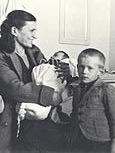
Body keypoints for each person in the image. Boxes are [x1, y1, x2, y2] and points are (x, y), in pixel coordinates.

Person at [0, 10, 67, 152]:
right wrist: (51, 96)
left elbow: (46, 71)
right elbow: (14, 88)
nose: (35, 36)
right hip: (13, 119)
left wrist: (63, 69)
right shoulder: (2, 55)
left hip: (36, 120)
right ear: (14, 31)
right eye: (31, 31)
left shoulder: (34, 51)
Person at [66, 48, 115, 153]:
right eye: (81, 67)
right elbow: (75, 112)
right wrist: (72, 131)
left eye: (90, 68)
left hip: (100, 140)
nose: (84, 72)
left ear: (100, 71)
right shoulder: (77, 89)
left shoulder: (107, 89)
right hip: (79, 137)